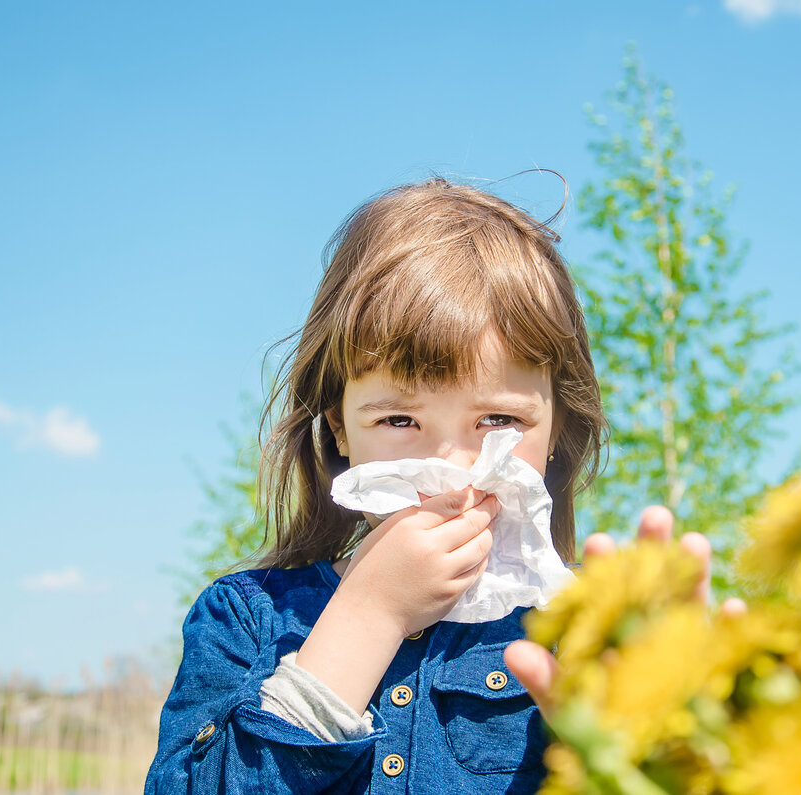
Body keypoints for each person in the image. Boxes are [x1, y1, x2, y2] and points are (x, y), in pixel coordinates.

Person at [144, 178, 715, 794]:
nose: (455, 466)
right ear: (339, 426)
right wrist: (368, 616)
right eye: (399, 420)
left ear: (555, 429)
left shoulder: (581, 636)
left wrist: (665, 729)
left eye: (498, 421)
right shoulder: (246, 621)